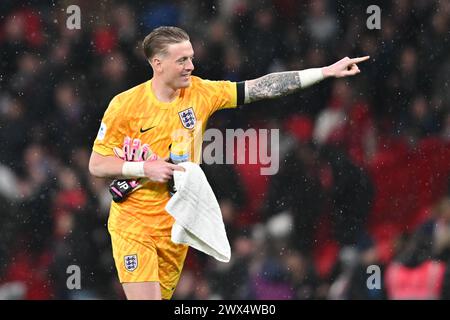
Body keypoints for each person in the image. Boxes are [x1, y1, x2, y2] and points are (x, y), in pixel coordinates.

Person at [88, 26, 369, 300]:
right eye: (182, 60)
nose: (191, 66)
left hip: (176, 224)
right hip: (133, 221)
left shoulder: (201, 93)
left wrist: (324, 72)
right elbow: (97, 164)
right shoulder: (124, 106)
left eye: (191, 58)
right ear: (158, 64)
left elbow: (261, 88)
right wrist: (143, 168)